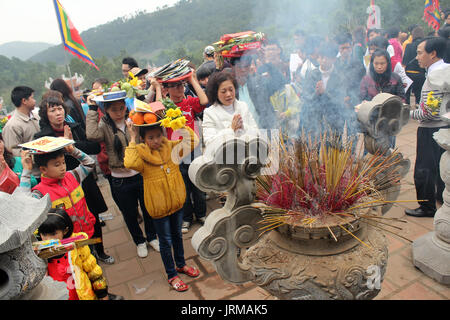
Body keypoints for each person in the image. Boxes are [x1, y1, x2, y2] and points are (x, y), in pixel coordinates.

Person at [34, 90, 114, 264]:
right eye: (52, 110)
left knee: (91, 216)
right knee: (67, 222)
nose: (58, 113)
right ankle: (79, 257)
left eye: (60, 109)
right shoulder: (41, 138)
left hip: (81, 178)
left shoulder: (75, 127)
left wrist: (72, 144)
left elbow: (94, 147)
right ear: (45, 115)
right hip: (58, 187)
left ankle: (99, 251)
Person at [124, 119, 200, 292]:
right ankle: (172, 274)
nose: (156, 140)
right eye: (151, 137)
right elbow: (129, 163)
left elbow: (193, 140)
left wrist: (179, 124)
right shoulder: (141, 154)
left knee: (177, 236)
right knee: (165, 241)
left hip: (176, 202)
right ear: (143, 139)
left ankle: (181, 264)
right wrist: (132, 138)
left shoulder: (172, 148)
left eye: (158, 135)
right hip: (158, 207)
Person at [86, 92, 159, 258]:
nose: (118, 112)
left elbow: (151, 123)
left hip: (140, 173)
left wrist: (141, 98)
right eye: (114, 110)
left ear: (125, 106)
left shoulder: (134, 120)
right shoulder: (104, 126)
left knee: (148, 209)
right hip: (119, 178)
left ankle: (152, 237)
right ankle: (139, 241)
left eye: (121, 108)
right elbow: (91, 135)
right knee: (129, 213)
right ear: (106, 110)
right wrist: (91, 109)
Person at [406, 36, 450, 218]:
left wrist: (407, 112)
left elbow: (428, 113)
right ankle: (441, 197)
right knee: (441, 166)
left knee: (424, 169)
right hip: (445, 126)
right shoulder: (446, 69)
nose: (417, 57)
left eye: (419, 53)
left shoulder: (434, 77)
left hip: (431, 129)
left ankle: (426, 206)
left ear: (432, 54)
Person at [37, 208, 123, 300]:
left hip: (82, 295)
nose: (48, 239)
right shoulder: (38, 252)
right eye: (44, 234)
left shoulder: (77, 246)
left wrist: (102, 294)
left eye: (53, 234)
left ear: (65, 231)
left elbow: (93, 271)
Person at [162, 72, 208, 234]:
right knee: (182, 188)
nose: (179, 88)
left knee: (198, 184)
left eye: (181, 84)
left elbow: (204, 100)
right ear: (166, 89)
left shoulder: (189, 102)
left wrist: (191, 79)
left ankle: (201, 214)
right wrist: (155, 87)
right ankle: (187, 218)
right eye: (174, 85)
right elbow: (154, 110)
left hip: (194, 150)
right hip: (175, 152)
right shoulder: (165, 106)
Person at [300, 42, 356, 136]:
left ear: (334, 59)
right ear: (318, 58)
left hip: (334, 120)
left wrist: (324, 93)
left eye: (327, 58)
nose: (324, 60)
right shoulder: (312, 75)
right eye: (321, 57)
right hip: (315, 119)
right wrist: (316, 93)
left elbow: (339, 100)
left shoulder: (339, 76)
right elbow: (306, 97)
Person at [203, 71, 259, 146]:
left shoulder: (243, 106)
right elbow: (209, 142)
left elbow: (257, 133)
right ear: (215, 93)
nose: (228, 94)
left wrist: (243, 126)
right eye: (223, 91)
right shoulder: (210, 113)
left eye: (231, 90)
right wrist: (231, 129)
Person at [2, 86, 41, 181]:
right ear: (24, 101)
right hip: (33, 175)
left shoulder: (36, 117)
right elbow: (14, 152)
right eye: (32, 97)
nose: (35, 101)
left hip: (47, 169)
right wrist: (37, 157)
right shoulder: (12, 125)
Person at [334, 33, 366, 109]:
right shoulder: (335, 65)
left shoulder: (358, 65)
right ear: (339, 49)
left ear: (351, 48)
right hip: (338, 103)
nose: (345, 51)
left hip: (354, 103)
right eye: (342, 48)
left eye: (347, 48)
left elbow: (362, 85)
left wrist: (350, 97)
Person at [403, 26, 426, 104]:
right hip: (420, 73)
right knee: (419, 93)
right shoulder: (425, 46)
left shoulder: (408, 46)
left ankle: (407, 109)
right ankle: (418, 108)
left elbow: (404, 61)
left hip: (409, 73)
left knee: (406, 94)